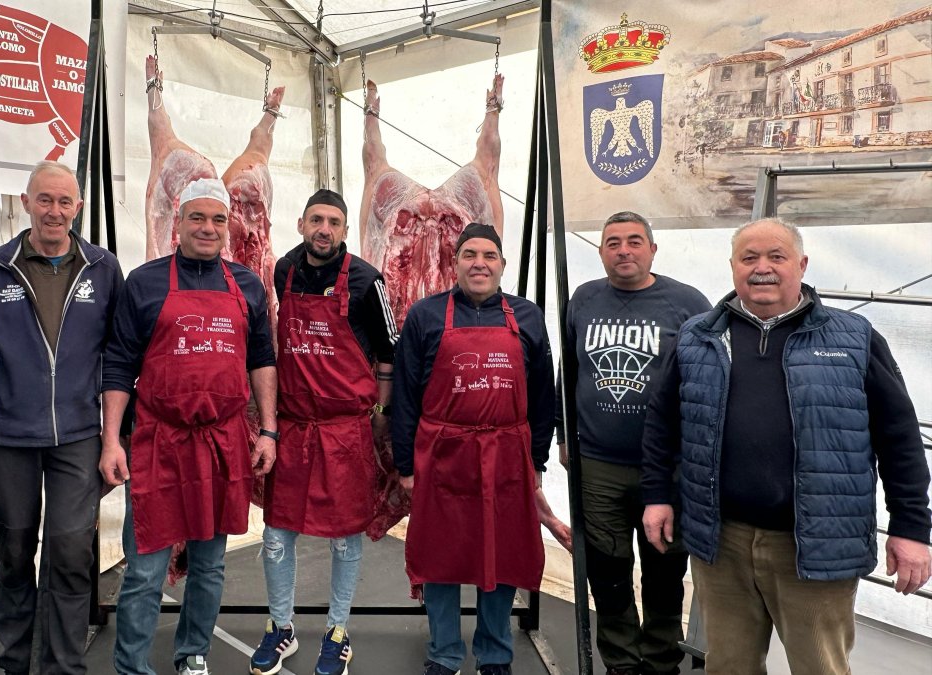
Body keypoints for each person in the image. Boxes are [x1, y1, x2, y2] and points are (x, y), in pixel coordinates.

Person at [642, 218, 932, 675]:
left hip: (815, 545)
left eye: (776, 257)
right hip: (722, 543)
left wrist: (912, 526)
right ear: (733, 266)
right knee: (729, 667)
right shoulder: (697, 337)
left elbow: (900, 439)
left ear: (801, 264)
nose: (762, 268)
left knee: (819, 666)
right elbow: (662, 425)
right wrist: (658, 494)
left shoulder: (853, 338)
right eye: (749, 257)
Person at [99, 177, 278, 675]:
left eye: (217, 219)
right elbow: (118, 365)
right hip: (159, 441)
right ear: (177, 223)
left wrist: (268, 429)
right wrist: (112, 439)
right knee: (146, 568)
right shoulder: (146, 281)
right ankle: (132, 666)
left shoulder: (246, 285)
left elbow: (263, 359)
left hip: (223, 442)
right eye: (197, 217)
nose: (207, 227)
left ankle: (193, 652)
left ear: (229, 226)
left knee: (210, 563)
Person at [0, 161, 124, 675]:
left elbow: (120, 355)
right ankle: (15, 662)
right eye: (45, 200)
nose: (55, 211)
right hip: (8, 437)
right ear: (27, 202)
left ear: (78, 207)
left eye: (64, 202)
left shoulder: (103, 268)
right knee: (14, 551)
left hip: (78, 436)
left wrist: (117, 437)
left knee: (71, 552)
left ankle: (63, 666)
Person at [392, 223, 555, 675]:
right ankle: (444, 653)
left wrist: (535, 459)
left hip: (506, 456)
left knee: (502, 557)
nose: (479, 263)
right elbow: (404, 396)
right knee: (440, 558)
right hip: (442, 455)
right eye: (469, 254)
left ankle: (494, 654)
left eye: (488, 255)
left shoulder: (527, 317)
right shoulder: (425, 315)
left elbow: (544, 396)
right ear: (456, 262)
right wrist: (406, 463)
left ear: (502, 265)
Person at [249, 188, 399, 675]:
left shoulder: (366, 279)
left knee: (344, 540)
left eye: (333, 222)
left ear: (344, 230)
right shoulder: (284, 270)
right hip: (293, 427)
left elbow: (388, 353)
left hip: (344, 431)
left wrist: (380, 411)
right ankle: (280, 627)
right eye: (317, 219)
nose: (324, 229)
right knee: (276, 536)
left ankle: (338, 631)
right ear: (301, 223)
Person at [556, 212, 710, 675]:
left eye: (634, 241)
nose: (624, 250)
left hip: (665, 466)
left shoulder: (687, 303)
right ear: (601, 251)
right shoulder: (583, 299)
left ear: (652, 250)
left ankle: (662, 658)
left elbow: (706, 382)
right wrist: (565, 436)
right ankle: (622, 661)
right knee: (607, 567)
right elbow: (571, 373)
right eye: (613, 242)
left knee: (665, 567)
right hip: (598, 462)